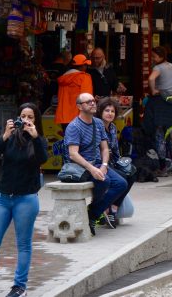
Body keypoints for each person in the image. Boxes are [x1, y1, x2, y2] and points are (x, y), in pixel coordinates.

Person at [0, 103, 48, 297]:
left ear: (35, 120)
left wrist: (34, 136)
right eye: (23, 116)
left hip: (26, 199)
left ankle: (19, 286)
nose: (26, 120)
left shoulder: (39, 140)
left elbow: (42, 159)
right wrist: (5, 135)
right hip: (2, 198)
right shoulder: (10, 138)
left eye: (30, 117)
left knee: (23, 244)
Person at [64, 93, 127, 233]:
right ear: (79, 106)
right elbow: (73, 154)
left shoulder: (98, 123)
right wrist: (92, 169)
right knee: (105, 181)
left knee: (122, 183)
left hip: (99, 163)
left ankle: (92, 213)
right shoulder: (74, 126)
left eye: (93, 101)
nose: (93, 103)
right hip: (82, 166)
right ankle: (94, 216)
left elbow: (104, 148)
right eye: (88, 102)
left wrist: (104, 165)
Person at [97, 97, 134, 228]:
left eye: (112, 111)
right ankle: (106, 209)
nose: (110, 113)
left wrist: (121, 163)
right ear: (100, 112)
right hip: (100, 164)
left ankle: (114, 206)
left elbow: (116, 149)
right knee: (122, 178)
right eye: (107, 110)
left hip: (112, 162)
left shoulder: (112, 128)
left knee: (131, 173)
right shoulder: (97, 127)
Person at [55, 54, 93, 127]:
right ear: (82, 66)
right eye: (85, 65)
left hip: (64, 118)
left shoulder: (63, 78)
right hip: (79, 118)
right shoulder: (84, 77)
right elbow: (87, 98)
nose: (86, 67)